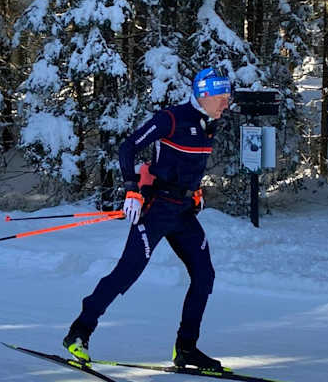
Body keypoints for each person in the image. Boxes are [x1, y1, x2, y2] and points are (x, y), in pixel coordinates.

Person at [63, 67, 232, 370]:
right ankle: (79, 333)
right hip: (156, 208)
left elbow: (188, 163)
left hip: (182, 211)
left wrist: (195, 191)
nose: (226, 104)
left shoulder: (209, 124)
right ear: (203, 96)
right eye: (221, 98)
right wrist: (131, 190)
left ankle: (186, 348)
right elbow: (128, 147)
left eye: (228, 98)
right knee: (126, 273)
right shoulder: (171, 118)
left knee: (205, 275)